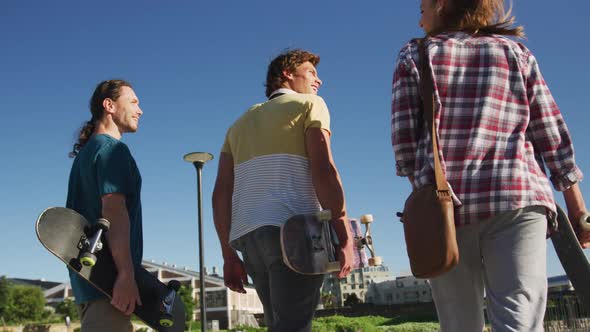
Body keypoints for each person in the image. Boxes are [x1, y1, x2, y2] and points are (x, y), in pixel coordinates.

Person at [391, 1, 590, 331]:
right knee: (520, 318)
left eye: (423, 6)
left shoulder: (416, 54)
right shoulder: (515, 52)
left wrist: (424, 196)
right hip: (517, 196)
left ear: (441, 5)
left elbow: (405, 144)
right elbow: (550, 132)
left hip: (446, 208)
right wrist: (578, 210)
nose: (420, 15)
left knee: (459, 323)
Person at [212, 49, 354, 331]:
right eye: (311, 72)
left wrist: (228, 256)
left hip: (248, 237)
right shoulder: (311, 105)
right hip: (294, 231)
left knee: (279, 324)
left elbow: (221, 192)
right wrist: (343, 230)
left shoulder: (237, 126)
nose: (319, 81)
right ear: (287, 74)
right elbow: (323, 168)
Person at [67, 79, 144, 332]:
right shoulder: (113, 151)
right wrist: (125, 274)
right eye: (133, 102)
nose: (140, 110)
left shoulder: (86, 154)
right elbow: (113, 211)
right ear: (109, 105)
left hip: (89, 283)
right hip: (108, 284)